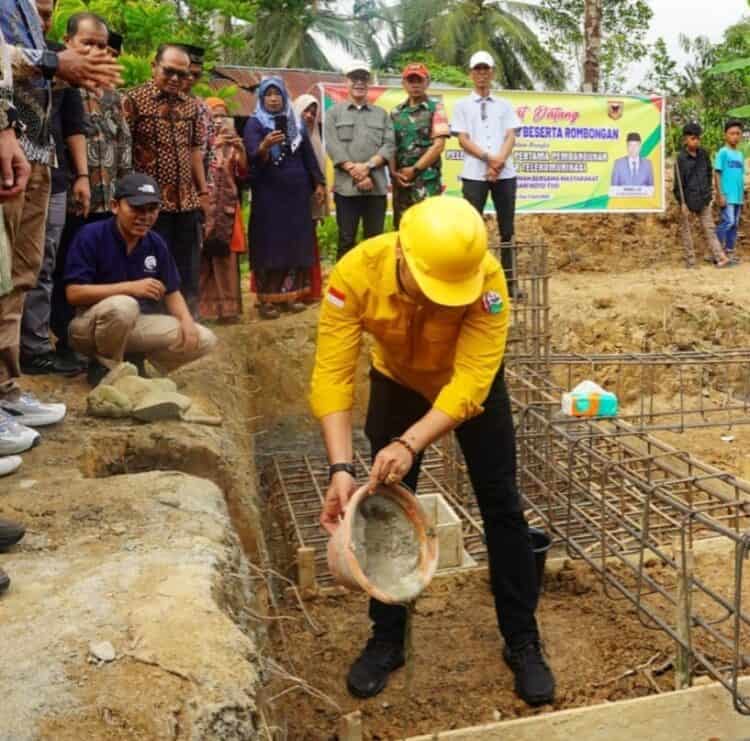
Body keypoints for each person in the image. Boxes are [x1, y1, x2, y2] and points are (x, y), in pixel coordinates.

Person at [309, 195, 555, 708]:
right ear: (403, 255)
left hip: (470, 388)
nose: (446, 299)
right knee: (383, 504)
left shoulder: (486, 281)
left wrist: (410, 442)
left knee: (502, 506)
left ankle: (522, 639)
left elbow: (469, 383)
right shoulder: (356, 273)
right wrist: (339, 468)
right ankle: (387, 638)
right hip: (397, 382)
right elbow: (332, 373)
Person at [0, 0, 121, 445]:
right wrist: (53, 62)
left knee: (20, 276)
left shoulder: (28, 12)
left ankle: (5, 390)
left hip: (34, 154)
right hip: (7, 151)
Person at [64, 173, 217, 386]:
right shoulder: (91, 235)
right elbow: (73, 294)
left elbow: (172, 292)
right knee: (124, 305)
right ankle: (105, 367)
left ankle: (142, 369)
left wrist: (187, 322)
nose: (144, 216)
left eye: (151, 209)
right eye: (136, 208)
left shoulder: (155, 243)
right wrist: (131, 288)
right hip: (88, 326)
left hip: (135, 324)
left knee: (204, 339)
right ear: (115, 206)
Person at [20, 9, 96, 377]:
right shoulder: (11, 53)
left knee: (41, 264)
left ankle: (34, 347)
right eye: (36, 11)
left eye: (48, 13)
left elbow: (73, 126)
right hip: (11, 173)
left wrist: (82, 175)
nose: (42, 20)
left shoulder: (61, 60)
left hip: (53, 178)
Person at [51, 24, 132, 366]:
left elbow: (123, 145)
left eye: (103, 46)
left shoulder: (112, 94)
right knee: (63, 273)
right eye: (88, 44)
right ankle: (62, 341)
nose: (97, 52)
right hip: (70, 200)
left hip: (107, 203)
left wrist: (123, 198)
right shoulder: (59, 84)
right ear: (68, 42)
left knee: (101, 273)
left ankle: (97, 347)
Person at [122, 44, 208, 317]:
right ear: (153, 66)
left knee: (187, 269)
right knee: (150, 267)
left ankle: (187, 327)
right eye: (169, 72)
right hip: (148, 206)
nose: (175, 80)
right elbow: (124, 150)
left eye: (182, 75)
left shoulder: (192, 106)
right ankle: (152, 328)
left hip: (186, 203)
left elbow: (195, 150)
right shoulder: (133, 100)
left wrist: (203, 192)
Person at [243, 77, 325, 319]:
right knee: (270, 243)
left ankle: (291, 295)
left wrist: (318, 183)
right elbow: (250, 158)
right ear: (261, 98)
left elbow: (308, 156)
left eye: (277, 94)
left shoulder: (296, 123)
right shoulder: (254, 124)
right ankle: (267, 299)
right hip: (269, 195)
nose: (273, 98)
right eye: (268, 94)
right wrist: (264, 147)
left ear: (284, 97)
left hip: (297, 195)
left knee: (296, 241)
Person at [452, 51, 521, 297]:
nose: (482, 74)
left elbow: (511, 135)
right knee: (471, 229)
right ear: (471, 73)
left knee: (507, 229)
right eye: (477, 69)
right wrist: (488, 159)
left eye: (486, 69)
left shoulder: (504, 105)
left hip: (505, 173)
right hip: (474, 174)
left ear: (492, 72)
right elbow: (462, 138)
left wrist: (499, 162)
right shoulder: (461, 105)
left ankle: (510, 283)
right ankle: (470, 281)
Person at [324, 62, 395, 259]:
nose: (359, 82)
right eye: (354, 78)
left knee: (375, 241)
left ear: (369, 82)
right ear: (346, 81)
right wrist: (354, 170)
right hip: (346, 190)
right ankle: (343, 287)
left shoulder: (381, 114)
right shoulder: (333, 113)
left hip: (376, 188)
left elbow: (389, 145)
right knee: (346, 240)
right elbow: (332, 145)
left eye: (363, 78)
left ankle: (373, 286)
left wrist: (368, 167)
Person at [198, 98, 246, 321]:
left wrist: (240, 149)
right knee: (203, 256)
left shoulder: (233, 144)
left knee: (226, 257)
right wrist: (214, 145)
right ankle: (203, 309)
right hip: (205, 204)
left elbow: (244, 174)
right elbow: (198, 165)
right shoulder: (201, 140)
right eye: (214, 115)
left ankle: (228, 311)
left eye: (222, 115)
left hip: (227, 208)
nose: (218, 120)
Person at [389, 62, 449, 227]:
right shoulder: (395, 112)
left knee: (429, 228)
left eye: (419, 80)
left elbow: (438, 145)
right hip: (402, 183)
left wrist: (414, 170)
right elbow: (390, 146)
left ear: (427, 82)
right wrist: (394, 173)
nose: (415, 84)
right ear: (404, 84)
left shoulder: (436, 108)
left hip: (427, 182)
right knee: (402, 228)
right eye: (411, 80)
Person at [673, 122, 729, 269]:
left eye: (698, 138)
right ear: (685, 139)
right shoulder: (680, 158)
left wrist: (709, 193)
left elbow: (709, 172)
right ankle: (691, 261)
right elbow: (677, 185)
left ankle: (720, 257)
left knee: (709, 228)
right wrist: (682, 203)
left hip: (704, 199)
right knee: (686, 231)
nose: (696, 141)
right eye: (692, 138)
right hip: (687, 200)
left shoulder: (704, 154)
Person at [293, 93, 328, 301]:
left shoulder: (315, 139)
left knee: (308, 244)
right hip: (291, 201)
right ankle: (292, 291)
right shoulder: (288, 137)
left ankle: (309, 291)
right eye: (305, 111)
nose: (309, 116)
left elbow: (320, 174)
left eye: (313, 113)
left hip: (310, 202)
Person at [714, 119, 745, 263]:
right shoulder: (723, 153)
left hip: (738, 197)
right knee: (728, 222)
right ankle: (717, 252)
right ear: (725, 135)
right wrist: (720, 194)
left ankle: (730, 252)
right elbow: (717, 174)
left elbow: (739, 176)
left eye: (738, 133)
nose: (735, 136)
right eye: (732, 133)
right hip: (726, 195)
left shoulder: (740, 155)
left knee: (735, 224)